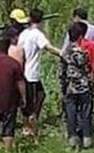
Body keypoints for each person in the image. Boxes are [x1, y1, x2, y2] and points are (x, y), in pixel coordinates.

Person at [17, 8, 62, 138]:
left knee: (37, 96)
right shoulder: (37, 34)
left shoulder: (24, 33)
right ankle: (29, 127)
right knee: (33, 100)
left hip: (24, 70)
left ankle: (28, 123)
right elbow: (48, 47)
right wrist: (62, 53)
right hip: (31, 73)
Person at [60, 23, 94, 149]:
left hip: (70, 86)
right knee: (86, 112)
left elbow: (62, 72)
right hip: (84, 86)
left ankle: (72, 138)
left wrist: (63, 86)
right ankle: (86, 138)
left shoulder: (65, 54)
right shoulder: (83, 53)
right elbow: (88, 70)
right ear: (80, 37)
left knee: (71, 112)